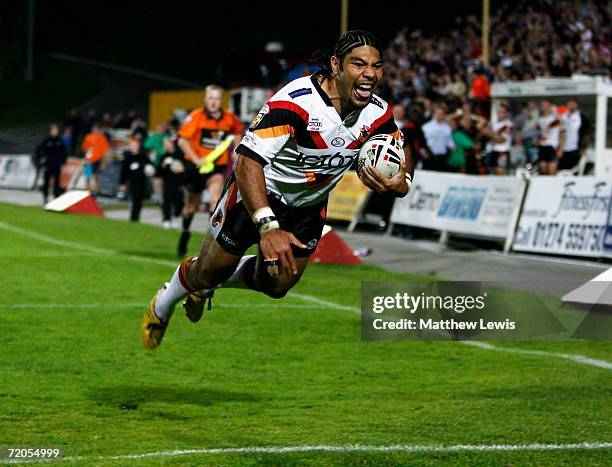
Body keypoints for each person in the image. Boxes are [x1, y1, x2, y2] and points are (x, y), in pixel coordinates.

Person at [141, 30, 414, 350]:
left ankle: (213, 283)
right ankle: (164, 304)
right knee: (206, 272)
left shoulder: (377, 111)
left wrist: (403, 180)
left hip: (307, 208)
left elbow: (400, 145)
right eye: (359, 64)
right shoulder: (295, 103)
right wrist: (268, 226)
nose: (370, 73)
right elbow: (246, 162)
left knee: (278, 284)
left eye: (376, 66)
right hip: (253, 195)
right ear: (336, 65)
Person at [176, 85, 245, 258]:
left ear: (220, 101)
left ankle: (209, 247)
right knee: (191, 207)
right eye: (210, 98)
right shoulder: (196, 117)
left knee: (215, 200)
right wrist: (196, 159)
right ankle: (184, 233)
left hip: (216, 167)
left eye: (216, 99)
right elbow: (182, 141)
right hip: (196, 167)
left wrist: (236, 149)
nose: (213, 102)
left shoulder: (229, 118)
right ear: (205, 100)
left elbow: (237, 132)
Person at [119, 135, 154, 222]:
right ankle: (133, 217)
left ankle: (137, 216)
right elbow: (123, 171)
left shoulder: (143, 156)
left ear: (138, 146)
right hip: (131, 182)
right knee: (134, 198)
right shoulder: (127, 157)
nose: (134, 147)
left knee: (139, 199)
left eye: (135, 145)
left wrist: (149, 170)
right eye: (132, 145)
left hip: (142, 181)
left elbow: (150, 166)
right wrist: (122, 183)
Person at [35, 123, 67, 204]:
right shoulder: (46, 140)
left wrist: (63, 161)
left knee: (57, 182)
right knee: (46, 181)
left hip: (57, 164)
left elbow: (64, 152)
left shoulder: (60, 140)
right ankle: (45, 197)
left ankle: (56, 198)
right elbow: (38, 150)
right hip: (48, 164)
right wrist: (40, 158)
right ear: (50, 131)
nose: (55, 131)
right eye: (53, 130)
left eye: (56, 130)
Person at [157, 137, 185, 228]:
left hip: (178, 182)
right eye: (164, 144)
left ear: (172, 143)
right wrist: (162, 166)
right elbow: (159, 171)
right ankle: (166, 219)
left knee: (179, 201)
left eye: (167, 143)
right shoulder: (164, 156)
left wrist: (182, 169)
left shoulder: (180, 155)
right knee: (167, 201)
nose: (166, 145)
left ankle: (176, 216)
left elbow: (186, 167)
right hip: (167, 182)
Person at [421, 104, 454, 171]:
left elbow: (449, 140)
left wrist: (452, 146)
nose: (439, 115)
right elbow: (421, 142)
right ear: (434, 114)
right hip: (430, 156)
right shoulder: (426, 127)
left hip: (442, 156)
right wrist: (423, 153)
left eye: (441, 114)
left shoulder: (447, 127)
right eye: (438, 113)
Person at [536, 99, 565, 175]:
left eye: (546, 105)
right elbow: (539, 133)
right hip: (543, 146)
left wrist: (561, 148)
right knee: (543, 168)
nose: (544, 107)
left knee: (552, 168)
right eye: (543, 105)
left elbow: (562, 134)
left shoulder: (556, 119)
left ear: (550, 107)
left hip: (553, 146)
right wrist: (537, 141)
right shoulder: (540, 119)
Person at [558, 98, 588, 172]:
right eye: (569, 103)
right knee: (561, 169)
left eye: (573, 104)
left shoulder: (581, 117)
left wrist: (583, 147)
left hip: (575, 149)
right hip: (563, 148)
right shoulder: (562, 117)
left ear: (577, 105)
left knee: (572, 169)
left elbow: (586, 133)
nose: (571, 105)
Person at [81, 124, 111, 196]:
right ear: (92, 130)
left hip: (97, 160)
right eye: (94, 129)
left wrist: (104, 162)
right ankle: (87, 193)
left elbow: (105, 151)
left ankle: (96, 193)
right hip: (89, 160)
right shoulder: (88, 137)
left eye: (96, 129)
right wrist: (86, 156)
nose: (95, 130)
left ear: (98, 130)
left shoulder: (101, 138)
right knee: (88, 176)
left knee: (96, 176)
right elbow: (84, 148)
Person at [486, 103, 514, 175]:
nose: (500, 114)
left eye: (502, 112)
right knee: (492, 172)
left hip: (502, 151)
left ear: (506, 113)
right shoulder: (495, 124)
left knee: (500, 172)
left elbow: (502, 140)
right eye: (499, 112)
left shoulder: (508, 124)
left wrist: (490, 134)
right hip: (494, 150)